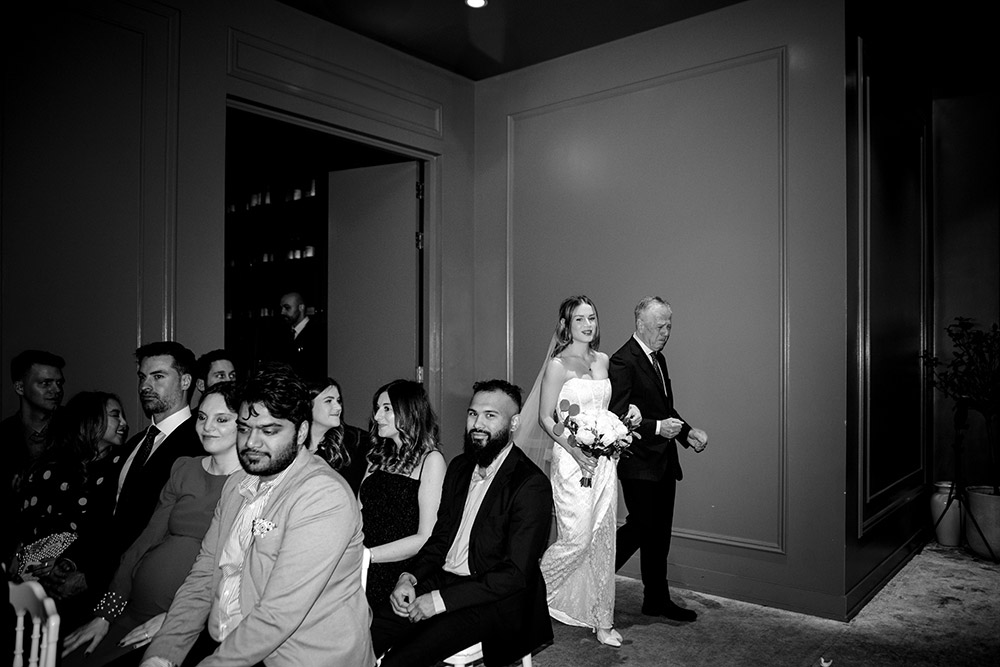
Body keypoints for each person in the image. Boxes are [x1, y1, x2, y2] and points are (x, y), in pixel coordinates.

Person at [138, 364, 373, 667]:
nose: (251, 443)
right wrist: (162, 655)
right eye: (245, 429)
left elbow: (278, 614)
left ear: (301, 432)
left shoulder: (323, 496)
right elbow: (203, 576)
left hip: (299, 657)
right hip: (227, 642)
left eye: (270, 430)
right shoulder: (237, 484)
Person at [369, 379, 553, 667]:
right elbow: (440, 538)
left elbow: (514, 573)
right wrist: (410, 577)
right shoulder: (459, 467)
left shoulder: (530, 484)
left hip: (490, 599)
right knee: (366, 635)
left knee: (402, 658)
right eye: (472, 414)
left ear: (514, 423)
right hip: (443, 577)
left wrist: (439, 600)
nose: (477, 424)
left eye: (490, 416)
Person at [61, 382, 242, 667]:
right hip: (132, 607)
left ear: (243, 424)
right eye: (203, 417)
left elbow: (235, 572)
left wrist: (176, 620)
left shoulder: (251, 485)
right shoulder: (185, 467)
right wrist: (105, 614)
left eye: (222, 419)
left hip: (185, 620)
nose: (208, 427)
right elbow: (144, 542)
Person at [519, 295, 637, 647]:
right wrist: (575, 450)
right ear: (566, 325)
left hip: (604, 461)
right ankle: (522, 590)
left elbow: (603, 408)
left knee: (603, 538)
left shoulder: (602, 361)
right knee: (577, 539)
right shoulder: (558, 365)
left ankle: (602, 620)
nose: (588, 325)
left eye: (593, 318)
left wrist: (620, 425)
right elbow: (545, 417)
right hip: (572, 462)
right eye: (580, 319)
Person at [609, 296, 708, 622]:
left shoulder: (657, 359)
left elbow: (664, 411)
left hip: (664, 462)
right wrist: (657, 427)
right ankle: (595, 576)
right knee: (641, 526)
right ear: (640, 325)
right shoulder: (623, 361)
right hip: (638, 462)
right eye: (659, 325)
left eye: (668, 325)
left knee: (659, 533)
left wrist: (686, 432)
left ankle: (656, 600)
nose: (665, 331)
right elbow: (617, 414)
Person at [12, 392, 128, 626]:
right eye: (115, 415)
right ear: (90, 420)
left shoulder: (122, 467)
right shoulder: (49, 469)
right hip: (33, 589)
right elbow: (26, 526)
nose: (124, 423)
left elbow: (113, 532)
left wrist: (70, 562)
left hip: (91, 589)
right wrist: (45, 562)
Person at [108, 342, 204, 576]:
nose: (145, 386)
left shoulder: (199, 443)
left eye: (158, 376)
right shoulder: (134, 443)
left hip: (151, 577)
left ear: (185, 382)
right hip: (106, 570)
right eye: (142, 377)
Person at [360, 380, 446, 608]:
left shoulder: (431, 461)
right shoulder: (376, 457)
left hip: (399, 571)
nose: (377, 416)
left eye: (387, 408)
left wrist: (368, 556)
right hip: (361, 561)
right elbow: (359, 513)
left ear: (410, 411)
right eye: (377, 408)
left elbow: (426, 536)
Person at [2, 349, 66, 491]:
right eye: (46, 383)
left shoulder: (76, 425)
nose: (56, 390)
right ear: (20, 387)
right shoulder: (4, 435)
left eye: (59, 383)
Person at [307, 377, 369, 495]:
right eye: (329, 401)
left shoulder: (356, 441)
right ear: (308, 406)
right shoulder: (291, 445)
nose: (338, 407)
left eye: (338, 400)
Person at [278, 291, 324, 380]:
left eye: (287, 308)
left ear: (301, 307)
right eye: (281, 308)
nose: (282, 312)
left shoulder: (317, 334)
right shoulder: (283, 334)